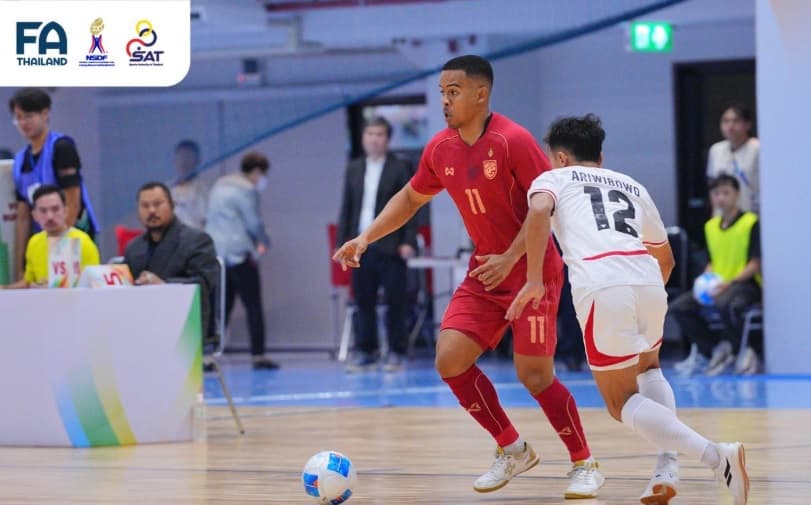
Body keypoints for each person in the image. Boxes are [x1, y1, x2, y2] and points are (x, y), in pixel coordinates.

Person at [333, 55, 603, 498]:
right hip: (485, 273)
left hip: (533, 270)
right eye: (442, 92)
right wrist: (365, 238)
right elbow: (409, 198)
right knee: (449, 359)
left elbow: (546, 208)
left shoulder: (513, 140)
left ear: (481, 94)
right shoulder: (440, 148)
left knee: (534, 375)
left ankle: (584, 462)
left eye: (453, 92)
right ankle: (512, 448)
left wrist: (512, 256)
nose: (445, 100)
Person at [508, 114, 749, 505]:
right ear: (600, 156)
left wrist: (534, 279)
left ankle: (715, 455)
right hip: (648, 279)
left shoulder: (554, 178)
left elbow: (537, 213)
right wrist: (646, 290)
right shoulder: (630, 184)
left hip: (603, 284)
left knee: (620, 403)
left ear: (561, 157)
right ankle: (666, 469)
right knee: (650, 369)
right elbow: (666, 258)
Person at [337, 116, 418, 373]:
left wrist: (408, 241)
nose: (374, 139)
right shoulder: (354, 168)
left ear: (388, 138)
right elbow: (347, 208)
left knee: (396, 301)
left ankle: (396, 351)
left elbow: (411, 205)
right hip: (360, 246)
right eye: (370, 133)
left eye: (379, 134)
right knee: (364, 301)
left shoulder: (400, 167)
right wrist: (343, 242)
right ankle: (366, 351)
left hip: (391, 245)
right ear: (363, 137)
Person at [670, 174, 762, 376]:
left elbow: (755, 263)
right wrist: (705, 278)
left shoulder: (750, 222)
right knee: (680, 307)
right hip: (717, 284)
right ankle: (714, 349)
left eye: (726, 192)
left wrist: (728, 283)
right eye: (716, 193)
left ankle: (742, 350)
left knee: (725, 304)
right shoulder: (710, 226)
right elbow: (712, 259)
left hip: (744, 284)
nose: (721, 198)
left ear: (736, 194)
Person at [8, 88, 99, 281]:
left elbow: (72, 201)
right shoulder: (19, 160)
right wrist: (19, 265)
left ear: (45, 113)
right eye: (18, 117)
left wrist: (63, 251)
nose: (23, 123)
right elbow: (23, 216)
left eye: (29, 116)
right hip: (42, 238)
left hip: (73, 234)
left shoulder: (62, 147)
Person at [206, 152, 278, 370]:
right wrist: (265, 241)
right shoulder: (246, 190)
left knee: (220, 307)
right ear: (257, 171)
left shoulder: (218, 186)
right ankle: (258, 355)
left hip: (217, 253)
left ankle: (210, 354)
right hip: (239, 254)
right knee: (253, 305)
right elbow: (254, 223)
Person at [124, 182, 220, 346]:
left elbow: (204, 283)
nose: (152, 211)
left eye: (158, 204)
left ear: (172, 206)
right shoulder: (133, 248)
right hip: (141, 323)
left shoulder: (197, 241)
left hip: (185, 325)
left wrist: (165, 285)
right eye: (145, 206)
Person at [2, 185, 99, 289]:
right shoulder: (34, 242)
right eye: (43, 211)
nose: (50, 217)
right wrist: (5, 289)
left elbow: (94, 283)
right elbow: (29, 282)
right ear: (34, 215)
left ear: (65, 211)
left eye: (55, 209)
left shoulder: (83, 241)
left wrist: (56, 285)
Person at [706, 103, 759, 212]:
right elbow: (712, 186)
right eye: (726, 121)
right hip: (722, 217)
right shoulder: (716, 150)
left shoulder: (758, 148)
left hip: (750, 215)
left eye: (736, 121)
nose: (730, 126)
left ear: (748, 124)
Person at [170, 139, 208, 229]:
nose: (184, 161)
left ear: (197, 161)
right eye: (181, 156)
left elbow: (204, 222)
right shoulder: (166, 188)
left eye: (189, 156)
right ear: (175, 160)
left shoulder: (203, 190)